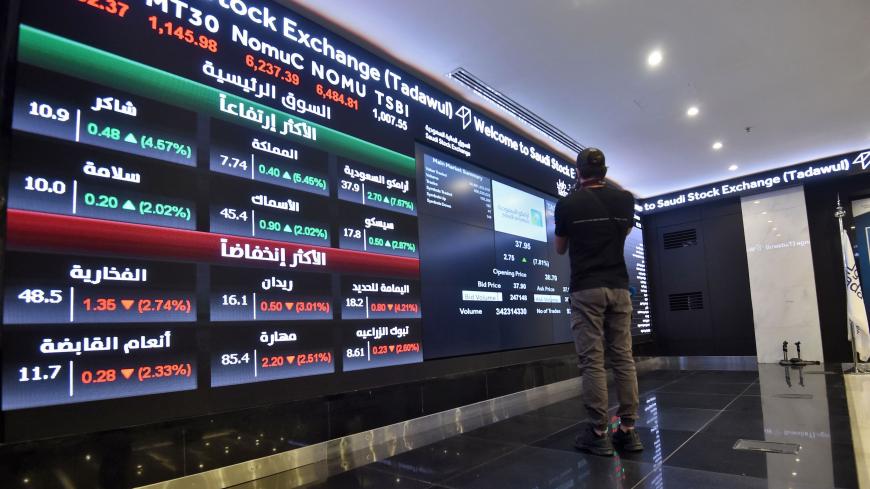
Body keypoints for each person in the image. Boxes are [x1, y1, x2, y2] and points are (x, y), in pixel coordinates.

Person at [554, 147, 643, 456]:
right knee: (623, 358)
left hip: (586, 289)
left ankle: (597, 432)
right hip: (619, 287)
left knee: (592, 360)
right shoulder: (625, 200)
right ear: (605, 171)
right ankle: (628, 431)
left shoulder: (567, 204)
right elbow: (623, 232)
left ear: (579, 172)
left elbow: (560, 248)